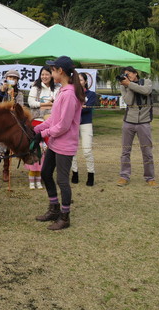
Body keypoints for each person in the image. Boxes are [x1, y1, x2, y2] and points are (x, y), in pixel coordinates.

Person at [33, 56, 85, 230]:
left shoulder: (69, 94)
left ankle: (65, 216)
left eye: (52, 70)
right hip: (55, 143)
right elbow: (54, 119)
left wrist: (44, 133)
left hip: (65, 144)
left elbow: (63, 125)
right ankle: (54, 208)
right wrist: (36, 129)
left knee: (62, 181)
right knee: (46, 174)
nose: (50, 72)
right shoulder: (62, 91)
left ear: (60, 71)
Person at [117, 66, 156, 186]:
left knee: (147, 150)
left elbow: (145, 91)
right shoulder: (123, 86)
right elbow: (128, 101)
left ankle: (150, 177)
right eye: (125, 75)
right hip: (128, 122)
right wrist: (128, 85)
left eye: (128, 74)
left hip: (144, 122)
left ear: (135, 74)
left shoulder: (147, 81)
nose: (126, 77)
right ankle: (124, 176)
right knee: (125, 151)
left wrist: (130, 84)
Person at [25, 66, 60, 189]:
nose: (44, 77)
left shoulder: (57, 88)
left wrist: (44, 105)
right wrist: (47, 104)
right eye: (42, 74)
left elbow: (58, 103)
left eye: (47, 74)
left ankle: (45, 175)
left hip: (51, 122)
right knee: (36, 150)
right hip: (36, 122)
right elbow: (31, 103)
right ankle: (34, 175)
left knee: (49, 149)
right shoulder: (35, 87)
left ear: (52, 75)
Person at [0, 69, 24, 184]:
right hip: (0, 121)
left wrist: (14, 101)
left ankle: (6, 170)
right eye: (10, 77)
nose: (12, 80)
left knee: (8, 147)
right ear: (6, 78)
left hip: (12, 122)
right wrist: (2, 92)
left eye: (14, 78)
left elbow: (21, 108)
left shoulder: (19, 93)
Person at [71, 72, 97, 186]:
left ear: (85, 81)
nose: (79, 82)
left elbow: (87, 108)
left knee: (87, 150)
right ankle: (74, 172)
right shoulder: (71, 93)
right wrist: (80, 107)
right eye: (77, 80)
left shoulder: (91, 94)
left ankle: (90, 174)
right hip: (73, 124)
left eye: (81, 80)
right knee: (72, 150)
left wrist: (76, 107)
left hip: (86, 123)